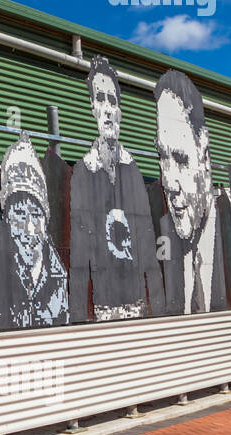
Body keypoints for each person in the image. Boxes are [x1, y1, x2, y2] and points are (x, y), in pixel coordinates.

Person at [68, 56, 165, 321]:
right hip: (103, 307)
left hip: (137, 304)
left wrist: (158, 308)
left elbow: (147, 245)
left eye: (113, 100)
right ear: (92, 108)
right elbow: (78, 256)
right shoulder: (83, 172)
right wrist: (78, 317)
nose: (108, 108)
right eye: (101, 99)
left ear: (120, 109)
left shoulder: (132, 170)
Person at [153, 70, 227, 314]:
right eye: (163, 158)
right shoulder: (159, 233)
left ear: (204, 150)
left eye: (181, 159)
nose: (170, 184)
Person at [0, 135, 70, 329]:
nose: (28, 230)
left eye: (36, 215)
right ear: (6, 217)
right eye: (19, 214)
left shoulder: (56, 274)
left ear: (45, 221)